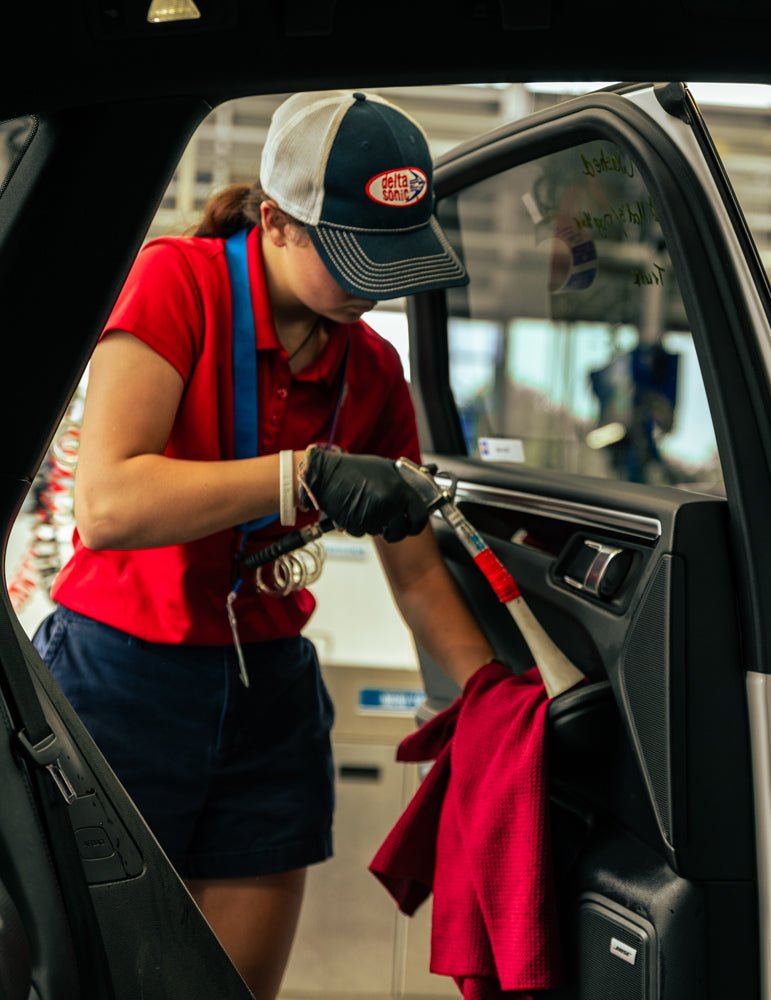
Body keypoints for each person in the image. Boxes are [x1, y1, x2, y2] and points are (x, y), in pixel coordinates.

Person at [31, 90, 497, 1000]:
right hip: (123, 680)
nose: (378, 286)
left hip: (269, 688)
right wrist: (305, 475)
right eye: (355, 253)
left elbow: (417, 576)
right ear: (277, 223)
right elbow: (111, 503)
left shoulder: (372, 370)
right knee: (94, 976)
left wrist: (494, 702)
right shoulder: (181, 284)